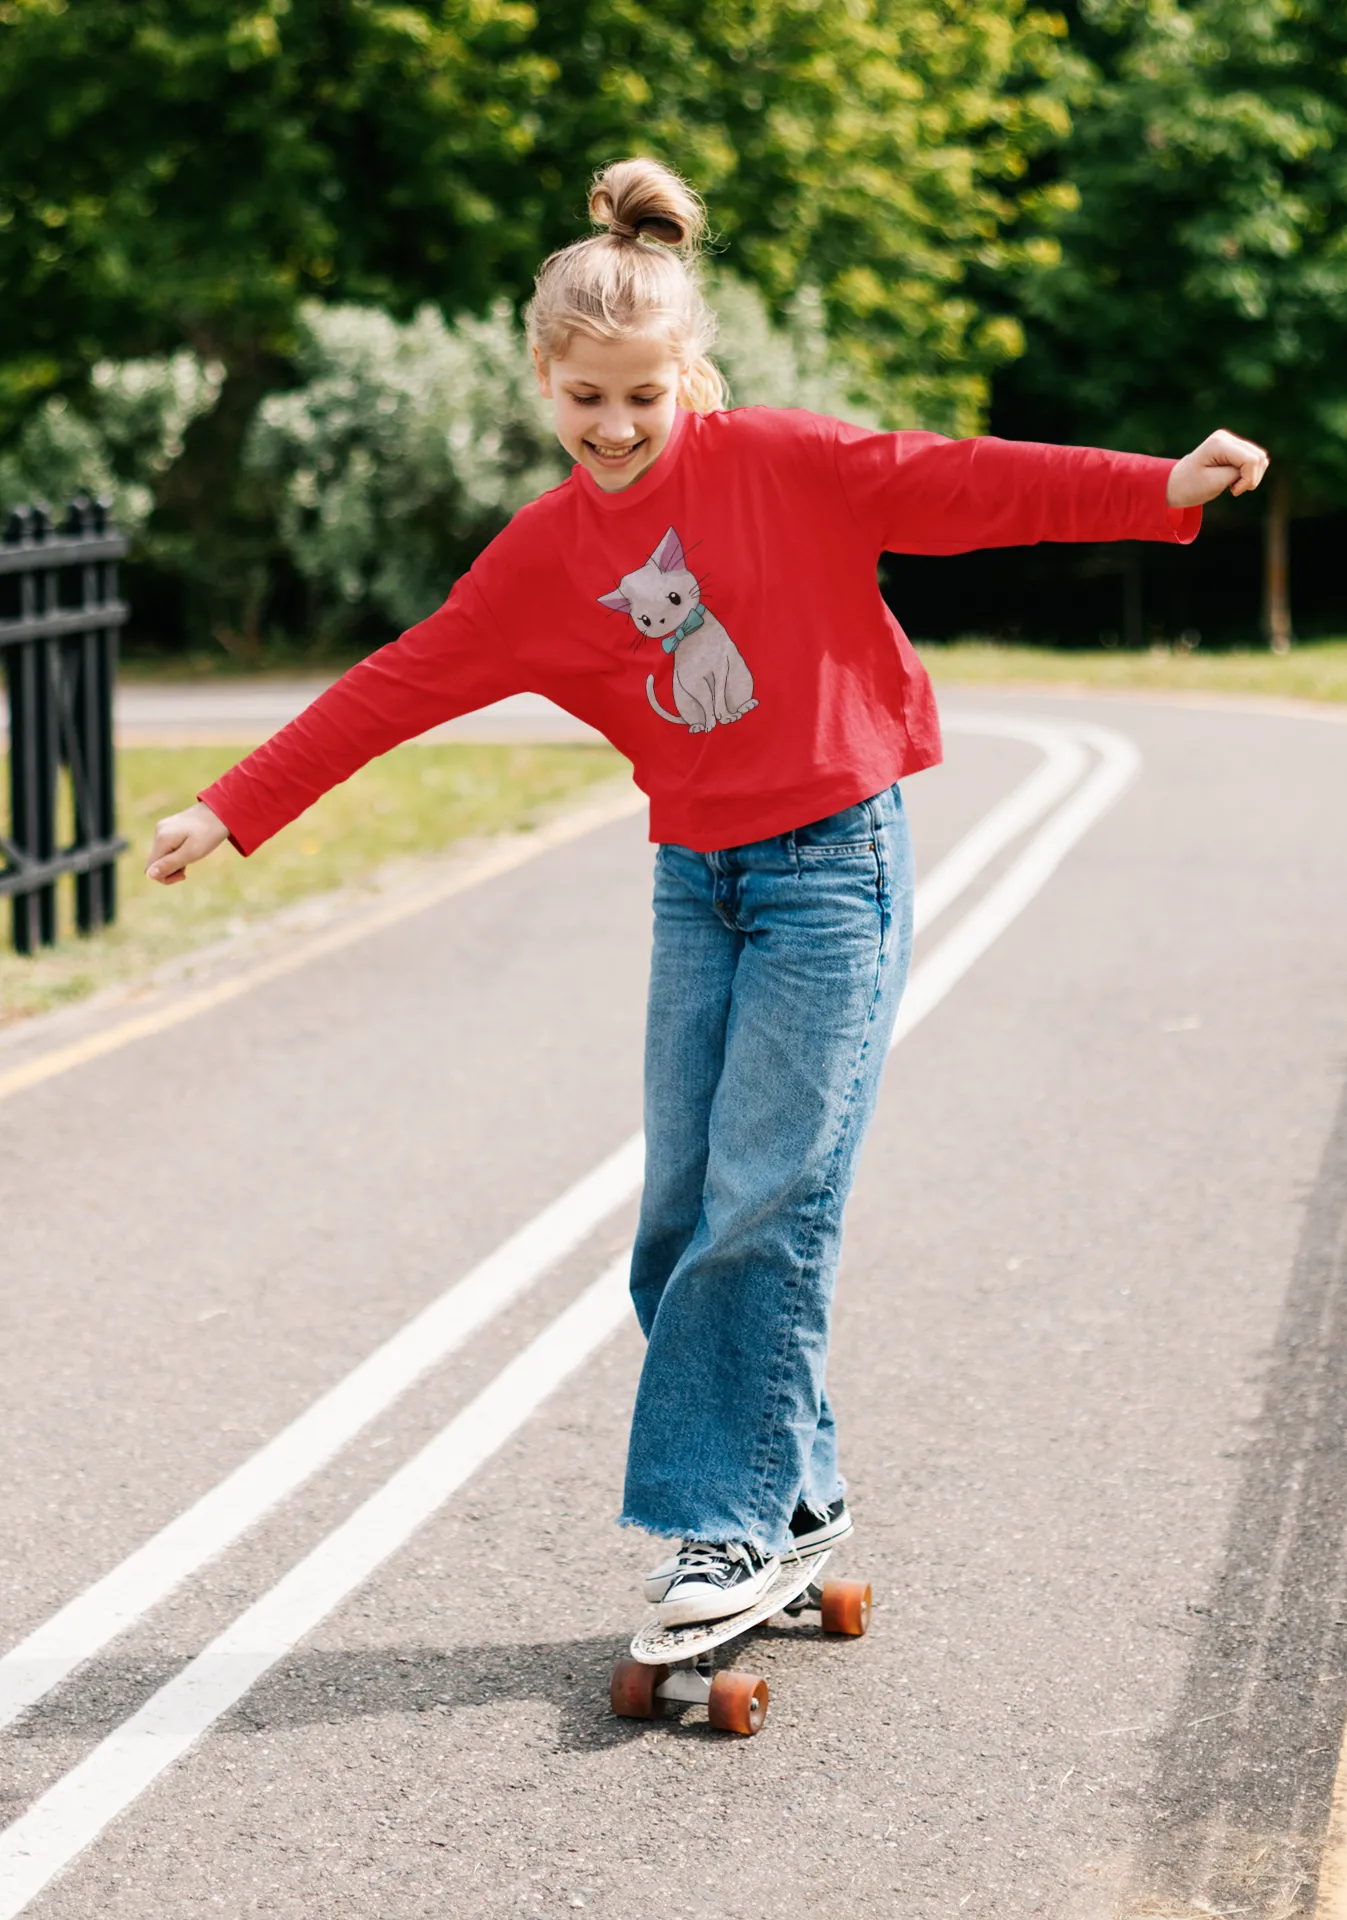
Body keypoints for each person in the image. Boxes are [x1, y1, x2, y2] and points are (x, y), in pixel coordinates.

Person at [147, 158, 1268, 1629]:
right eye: (583, 400)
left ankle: (726, 1531)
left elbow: (971, 480)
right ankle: (797, 1496)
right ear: (541, 382)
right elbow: (399, 684)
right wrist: (236, 807)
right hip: (701, 884)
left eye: (641, 398)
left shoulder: (787, 464)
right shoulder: (544, 558)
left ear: (695, 379)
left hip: (831, 874)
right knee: (679, 1223)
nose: (613, 430)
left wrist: (1161, 490)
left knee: (770, 1198)